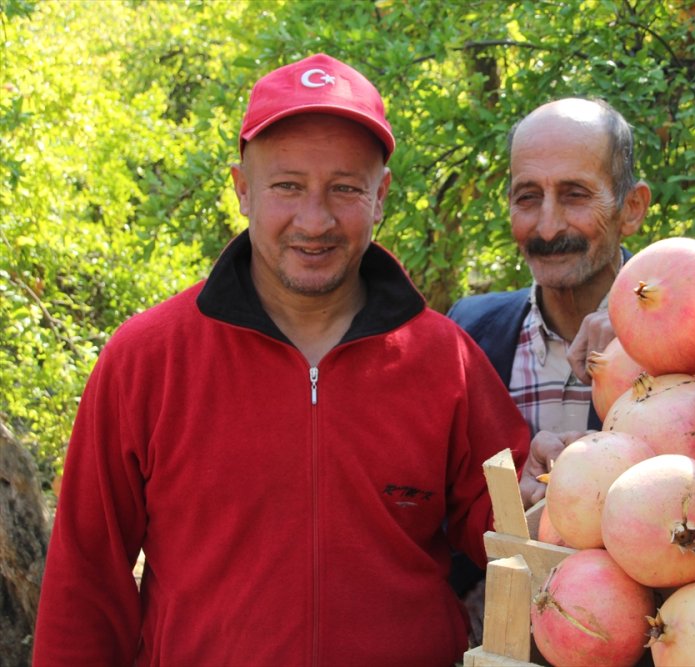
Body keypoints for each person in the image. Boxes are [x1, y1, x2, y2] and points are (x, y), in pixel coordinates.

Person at [32, 53, 537, 667]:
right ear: (243, 189)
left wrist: (561, 486)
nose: (315, 220)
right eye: (287, 186)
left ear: (380, 197)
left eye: (345, 188)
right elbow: (84, 585)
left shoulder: (444, 360)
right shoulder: (146, 360)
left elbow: (515, 533)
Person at [446, 98, 695, 633]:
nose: (548, 226)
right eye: (528, 197)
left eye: (574, 195)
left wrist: (659, 346)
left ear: (632, 207)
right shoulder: (469, 334)